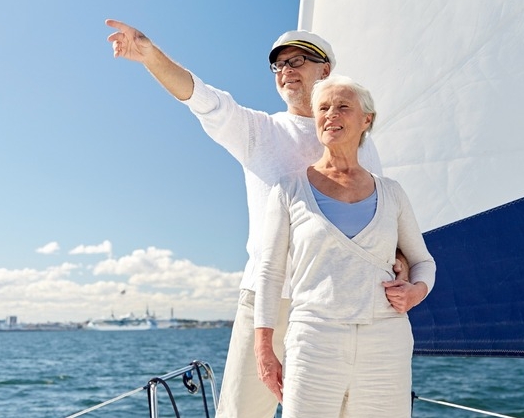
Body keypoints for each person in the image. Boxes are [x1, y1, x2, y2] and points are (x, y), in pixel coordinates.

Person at [106, 20, 407, 418]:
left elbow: (380, 216)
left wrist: (399, 260)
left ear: (325, 70)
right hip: (269, 300)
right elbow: (202, 98)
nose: (286, 71)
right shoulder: (259, 131)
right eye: (279, 65)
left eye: (297, 61)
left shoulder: (363, 146)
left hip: (339, 303)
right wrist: (149, 55)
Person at [253, 74, 435, 418]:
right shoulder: (289, 189)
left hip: (386, 342)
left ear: (366, 119)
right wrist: (263, 349)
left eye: (342, 107)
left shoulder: (392, 192)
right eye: (323, 108)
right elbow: (270, 272)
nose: (330, 114)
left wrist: (416, 292)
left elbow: (423, 261)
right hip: (313, 341)